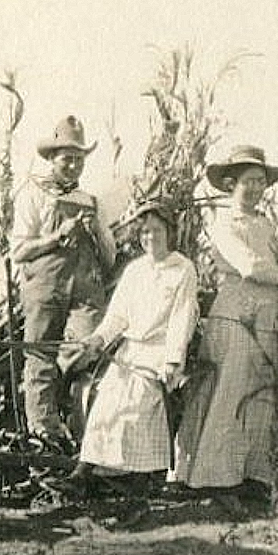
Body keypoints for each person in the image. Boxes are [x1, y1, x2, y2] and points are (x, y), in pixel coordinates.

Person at [174, 145, 278, 511]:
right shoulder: (223, 225)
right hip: (236, 317)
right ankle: (212, 478)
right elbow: (251, 267)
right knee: (230, 394)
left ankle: (251, 476)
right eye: (247, 182)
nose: (255, 189)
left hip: (266, 318)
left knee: (260, 397)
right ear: (229, 184)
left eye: (260, 182)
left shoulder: (265, 224)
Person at [51, 199, 199, 516]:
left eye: (157, 230)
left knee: (137, 416)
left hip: (159, 354)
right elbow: (117, 316)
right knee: (105, 408)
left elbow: (182, 317)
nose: (150, 238)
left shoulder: (183, 269)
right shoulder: (135, 270)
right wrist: (95, 341)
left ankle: (138, 493)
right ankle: (81, 477)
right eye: (145, 232)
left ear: (170, 232)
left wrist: (173, 360)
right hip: (129, 352)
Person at [10, 116, 115, 451]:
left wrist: (95, 229)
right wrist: (57, 236)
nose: (73, 166)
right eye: (67, 159)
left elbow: (109, 257)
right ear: (52, 159)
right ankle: (44, 434)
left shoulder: (91, 201)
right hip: (45, 285)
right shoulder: (33, 195)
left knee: (87, 350)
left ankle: (77, 426)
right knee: (39, 355)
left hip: (86, 289)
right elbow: (19, 251)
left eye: (79, 159)